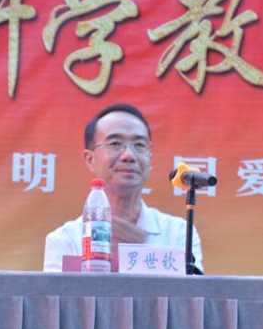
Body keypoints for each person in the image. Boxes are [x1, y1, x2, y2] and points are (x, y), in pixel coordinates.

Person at [43, 104, 203, 272]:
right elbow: (60, 290)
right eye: (115, 143)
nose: (129, 155)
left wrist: (136, 257)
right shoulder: (64, 240)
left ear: (150, 158)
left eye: (139, 145)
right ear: (90, 159)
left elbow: (194, 289)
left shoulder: (179, 233)